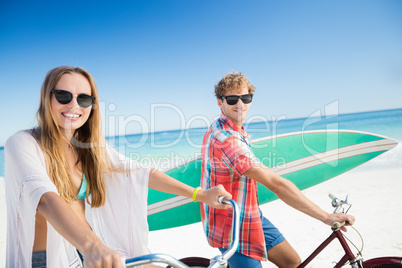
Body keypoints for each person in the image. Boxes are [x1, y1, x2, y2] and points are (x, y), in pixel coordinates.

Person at [4, 66, 232, 268]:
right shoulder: (23, 143)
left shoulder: (90, 147)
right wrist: (93, 247)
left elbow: (138, 172)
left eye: (84, 99)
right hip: (45, 260)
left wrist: (199, 193)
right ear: (47, 98)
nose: (74, 105)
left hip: (85, 249)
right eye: (63, 96)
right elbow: (43, 197)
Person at [200, 72, 355, 268]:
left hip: (250, 215)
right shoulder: (228, 140)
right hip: (231, 228)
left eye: (245, 98)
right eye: (232, 99)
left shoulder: (223, 126)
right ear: (220, 102)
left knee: (292, 262)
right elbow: (276, 185)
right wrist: (326, 217)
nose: (240, 104)